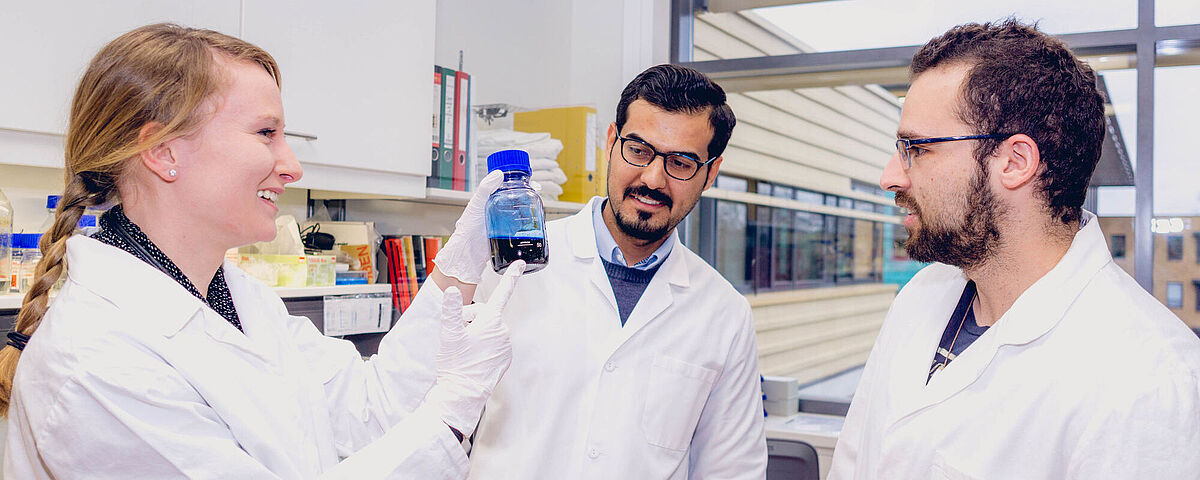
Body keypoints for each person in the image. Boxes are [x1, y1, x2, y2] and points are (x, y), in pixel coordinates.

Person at [0, 23, 526, 479]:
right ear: (162, 151)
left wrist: (460, 266)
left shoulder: (239, 302)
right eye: (266, 133)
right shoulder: (95, 363)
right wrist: (452, 410)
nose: (292, 165)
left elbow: (370, 412)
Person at [829, 19, 1200, 479]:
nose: (890, 176)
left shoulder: (1148, 379)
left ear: (1014, 162)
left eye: (916, 148)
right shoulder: (921, 295)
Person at [459, 64, 767, 479]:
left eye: (680, 162)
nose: (653, 178)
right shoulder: (507, 266)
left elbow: (732, 470)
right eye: (638, 150)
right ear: (611, 141)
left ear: (710, 172)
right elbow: (441, 423)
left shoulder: (724, 314)